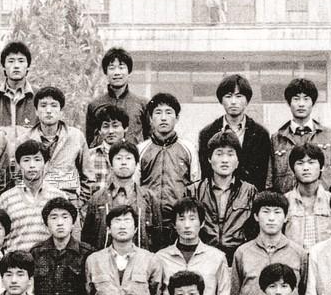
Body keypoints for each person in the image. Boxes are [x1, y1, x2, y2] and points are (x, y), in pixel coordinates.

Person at [84, 205, 164, 295]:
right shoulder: (94, 260)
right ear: (108, 228)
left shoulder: (151, 260)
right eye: (117, 221)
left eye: (127, 221)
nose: (122, 226)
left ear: (135, 229)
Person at [155, 197, 232, 295]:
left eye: (192, 219)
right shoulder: (161, 258)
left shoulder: (217, 257)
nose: (187, 225)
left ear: (202, 223)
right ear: (174, 224)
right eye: (181, 219)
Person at [138, 92, 201, 249]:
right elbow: (135, 186)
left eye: (169, 112)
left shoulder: (189, 149)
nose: (163, 118)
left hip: (179, 222)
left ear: (177, 118)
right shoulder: (141, 150)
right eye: (158, 113)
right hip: (148, 222)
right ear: (151, 119)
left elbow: (196, 186)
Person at [231, 191, 304, 295]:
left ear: (286, 217)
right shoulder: (242, 252)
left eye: (277, 212)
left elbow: (304, 292)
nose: (271, 218)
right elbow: (234, 294)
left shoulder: (298, 253)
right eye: (266, 212)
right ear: (256, 216)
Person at [191, 131, 258, 261]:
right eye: (219, 154)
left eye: (230, 154)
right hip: (203, 258)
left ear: (237, 161)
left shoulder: (250, 192)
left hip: (239, 258)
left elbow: (255, 231)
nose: (225, 160)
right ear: (209, 159)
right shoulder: (194, 191)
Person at [198, 74, 272, 190]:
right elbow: (206, 172)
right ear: (221, 100)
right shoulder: (207, 133)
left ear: (247, 100)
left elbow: (262, 175)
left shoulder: (260, 134)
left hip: (250, 196)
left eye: (239, 96)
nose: (233, 102)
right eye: (228, 96)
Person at [81, 140, 156, 250]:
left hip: (141, 258)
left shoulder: (148, 198)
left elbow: (158, 237)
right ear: (111, 164)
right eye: (119, 158)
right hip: (105, 258)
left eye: (128, 158)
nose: (124, 162)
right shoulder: (97, 198)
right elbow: (87, 239)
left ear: (136, 164)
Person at [0, 139, 68, 253]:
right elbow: (0, 237)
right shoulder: (6, 198)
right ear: (19, 165)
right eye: (26, 160)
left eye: (37, 160)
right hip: (16, 262)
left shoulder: (58, 196)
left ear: (46, 164)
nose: (32, 165)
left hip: (48, 261)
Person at [25, 86, 87, 204]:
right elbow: (18, 177)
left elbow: (88, 177)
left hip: (67, 201)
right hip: (36, 201)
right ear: (36, 111)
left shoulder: (76, 137)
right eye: (43, 105)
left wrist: (79, 203)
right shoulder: (25, 139)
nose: (48, 110)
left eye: (54, 105)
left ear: (61, 111)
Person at [271, 78, 331, 193]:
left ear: (313, 102)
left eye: (306, 99)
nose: (301, 104)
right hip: (286, 200)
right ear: (289, 103)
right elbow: (269, 177)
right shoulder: (277, 139)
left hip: (323, 199)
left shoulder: (328, 135)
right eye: (296, 99)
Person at [85, 47, 149, 146]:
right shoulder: (94, 105)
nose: (117, 72)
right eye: (112, 68)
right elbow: (90, 141)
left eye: (121, 67)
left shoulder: (143, 103)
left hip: (132, 155)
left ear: (129, 71)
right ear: (106, 72)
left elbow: (149, 140)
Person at [283, 142, 331, 250]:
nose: (306, 168)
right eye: (300, 163)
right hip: (294, 259)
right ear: (293, 169)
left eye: (311, 162)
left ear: (321, 167)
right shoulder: (284, 201)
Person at [82, 104, 132, 203]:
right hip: (96, 208)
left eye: (115, 126)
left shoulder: (135, 156)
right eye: (105, 126)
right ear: (99, 131)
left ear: (125, 128)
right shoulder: (89, 156)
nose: (111, 131)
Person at [0, 41, 37, 135]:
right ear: (4, 67)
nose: (16, 66)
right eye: (11, 61)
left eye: (21, 61)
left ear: (28, 66)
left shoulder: (38, 97)